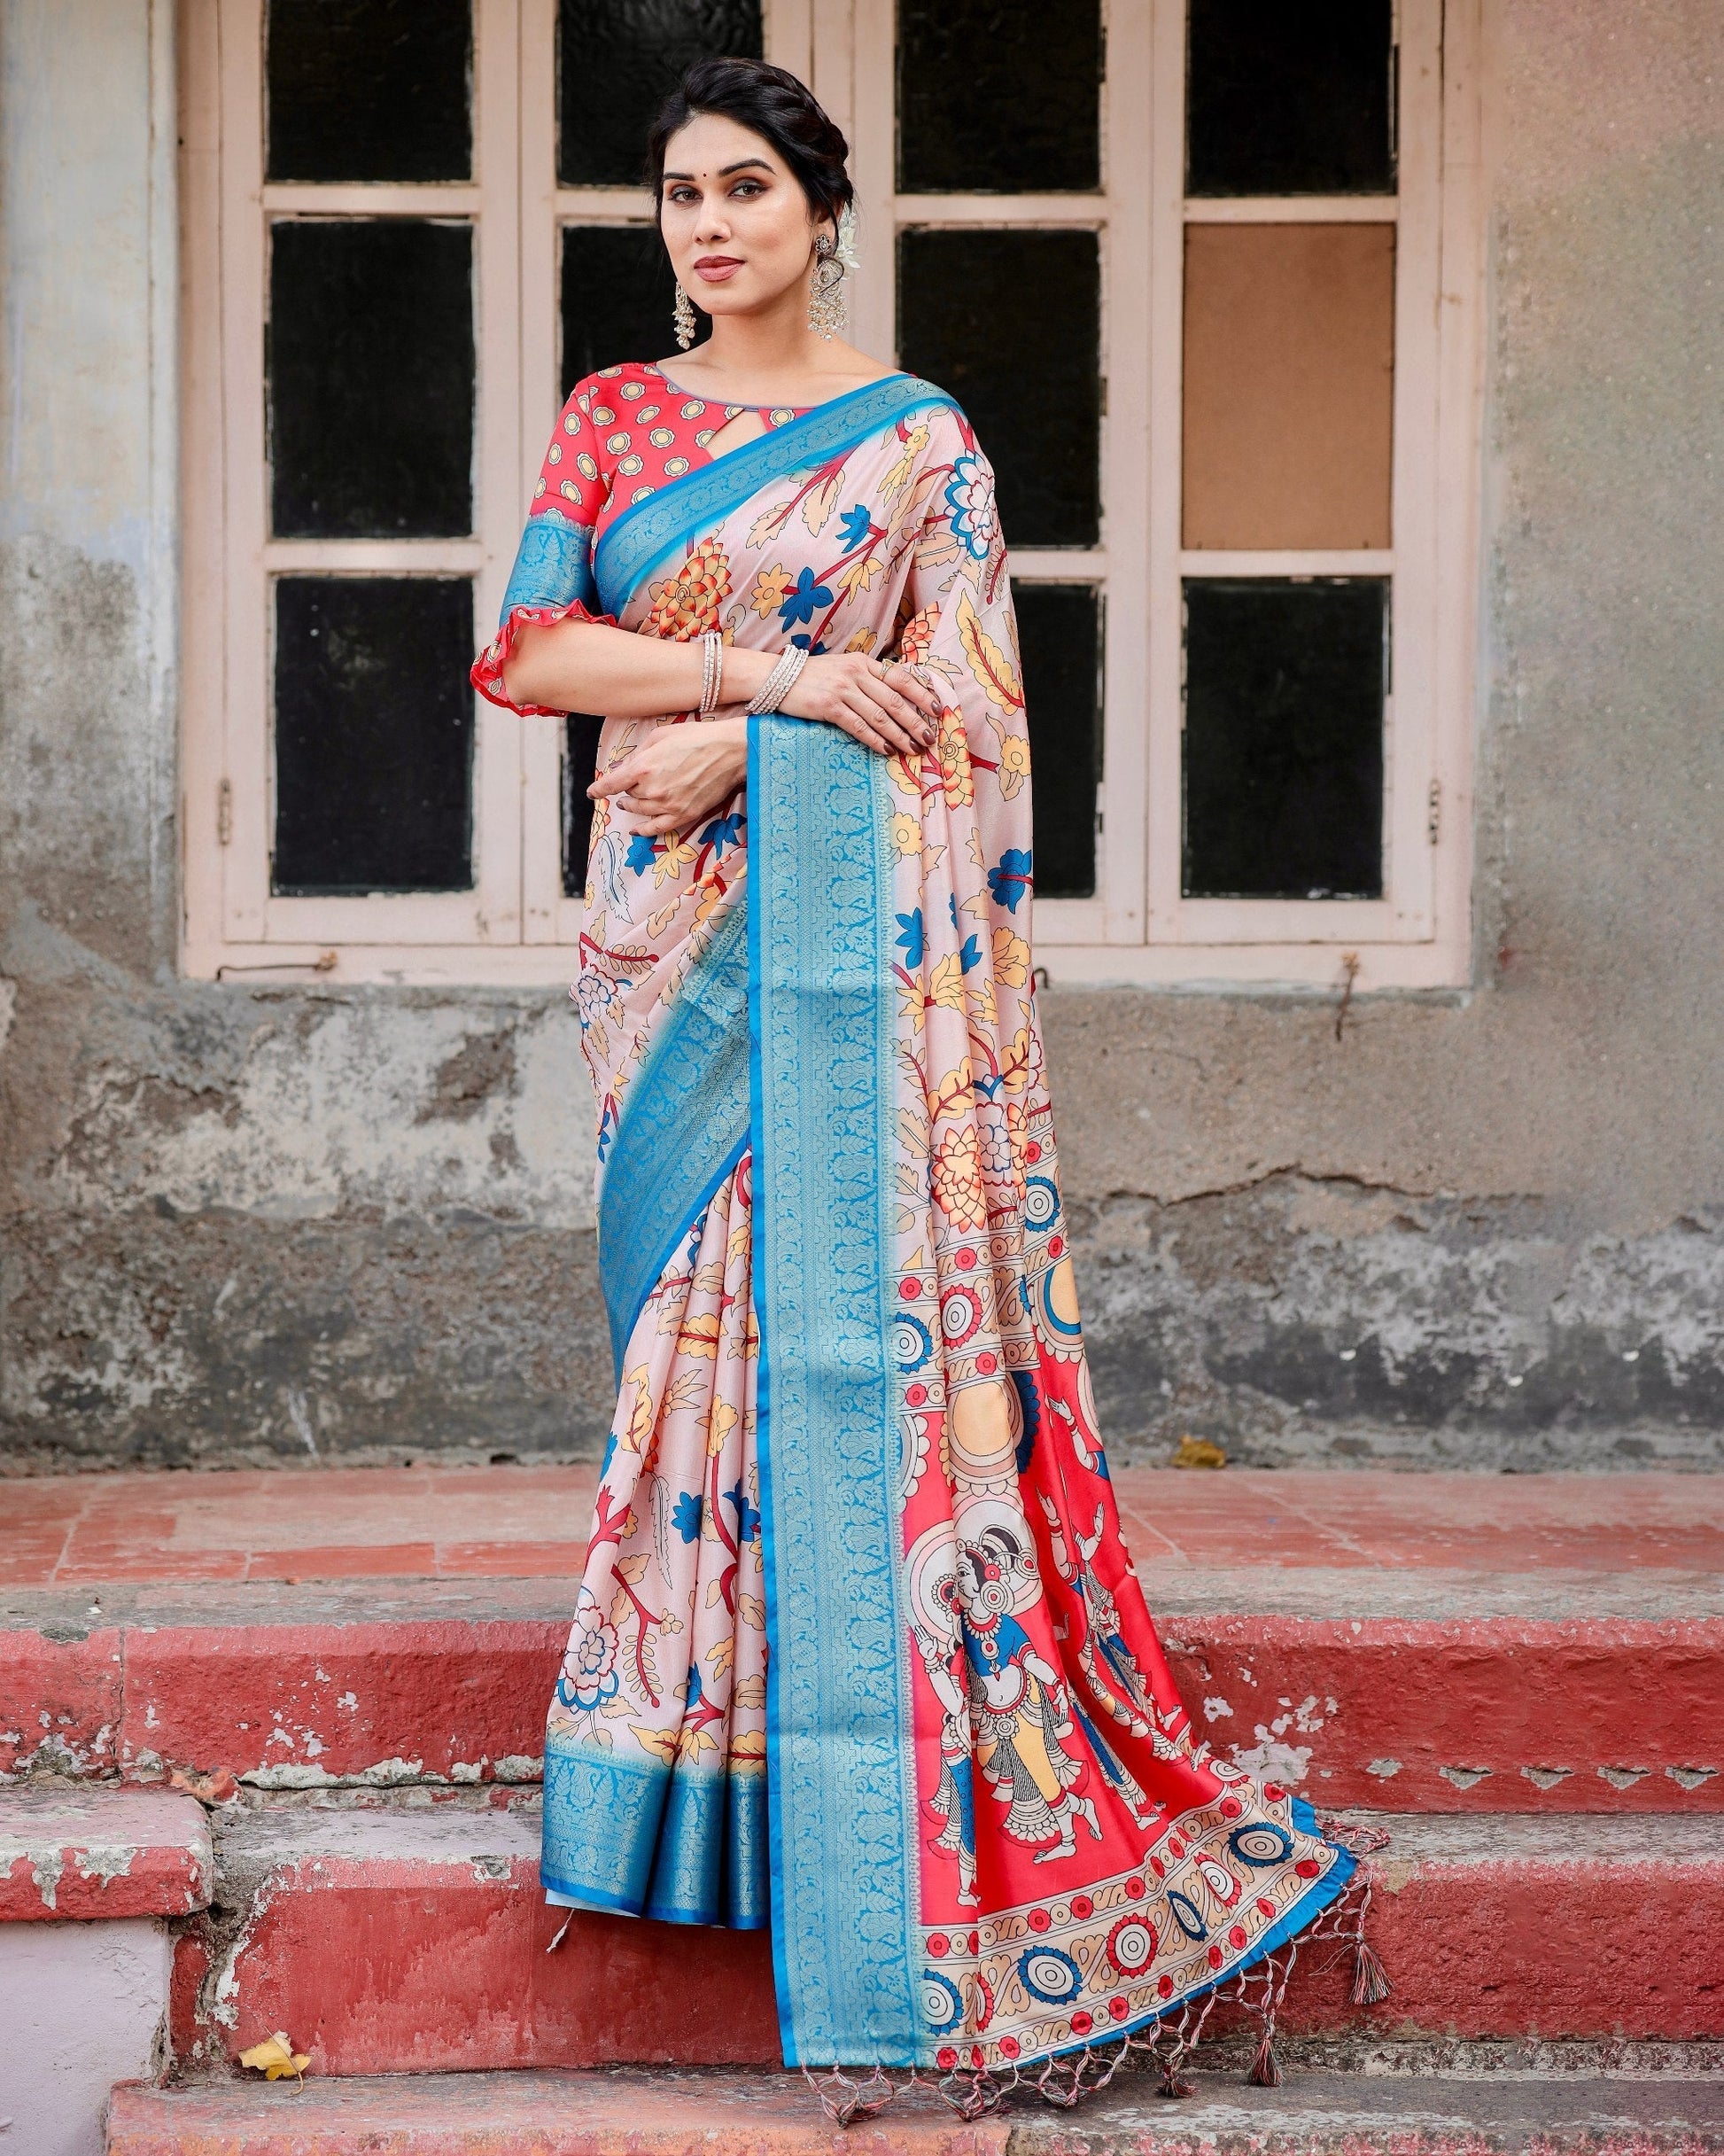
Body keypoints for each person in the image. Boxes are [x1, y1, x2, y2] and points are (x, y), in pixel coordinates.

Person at [473, 54, 1371, 2111]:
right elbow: (526, 651)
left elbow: (970, 715)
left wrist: (753, 746)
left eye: (747, 192)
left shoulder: (919, 445)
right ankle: (684, 1774)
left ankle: (821, 1789)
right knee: (688, 1356)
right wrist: (766, 685)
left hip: (846, 967)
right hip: (662, 946)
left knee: (828, 1359)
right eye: (681, 196)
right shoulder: (616, 415)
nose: (710, 227)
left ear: (821, 209)